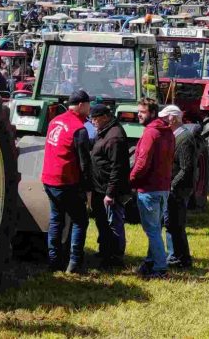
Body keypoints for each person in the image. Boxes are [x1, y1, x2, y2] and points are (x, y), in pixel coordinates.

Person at [41, 89, 93, 274]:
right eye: (88, 105)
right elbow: (84, 162)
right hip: (66, 181)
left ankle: (54, 260)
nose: (90, 108)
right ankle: (75, 263)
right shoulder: (79, 129)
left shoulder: (55, 121)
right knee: (80, 220)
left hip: (49, 179)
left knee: (56, 219)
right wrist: (88, 189)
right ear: (81, 105)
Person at [129, 98, 175, 279]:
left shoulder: (151, 133)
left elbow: (142, 163)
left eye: (143, 111)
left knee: (152, 230)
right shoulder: (167, 132)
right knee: (155, 228)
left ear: (153, 113)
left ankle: (160, 268)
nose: (139, 114)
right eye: (138, 111)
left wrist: (130, 180)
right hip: (163, 187)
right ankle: (150, 262)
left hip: (149, 189)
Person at [88, 103, 130, 269]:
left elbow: (117, 168)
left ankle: (116, 257)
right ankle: (105, 250)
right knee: (102, 222)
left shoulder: (114, 137)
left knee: (114, 223)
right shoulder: (105, 132)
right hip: (100, 187)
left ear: (105, 117)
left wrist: (110, 194)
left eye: (95, 119)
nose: (93, 122)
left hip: (110, 190)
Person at [162, 106, 194, 269]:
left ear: (173, 118)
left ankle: (180, 258)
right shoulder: (176, 136)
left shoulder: (185, 138)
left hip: (179, 189)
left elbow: (186, 167)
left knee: (176, 223)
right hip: (174, 187)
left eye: (165, 117)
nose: (163, 121)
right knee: (171, 222)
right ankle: (176, 255)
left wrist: (172, 185)